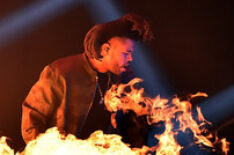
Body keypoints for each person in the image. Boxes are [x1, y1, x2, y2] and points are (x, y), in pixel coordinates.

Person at [21, 13, 153, 146]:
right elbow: (31, 122)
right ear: (105, 49)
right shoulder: (60, 73)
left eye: (131, 53)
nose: (130, 58)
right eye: (126, 53)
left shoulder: (121, 79)